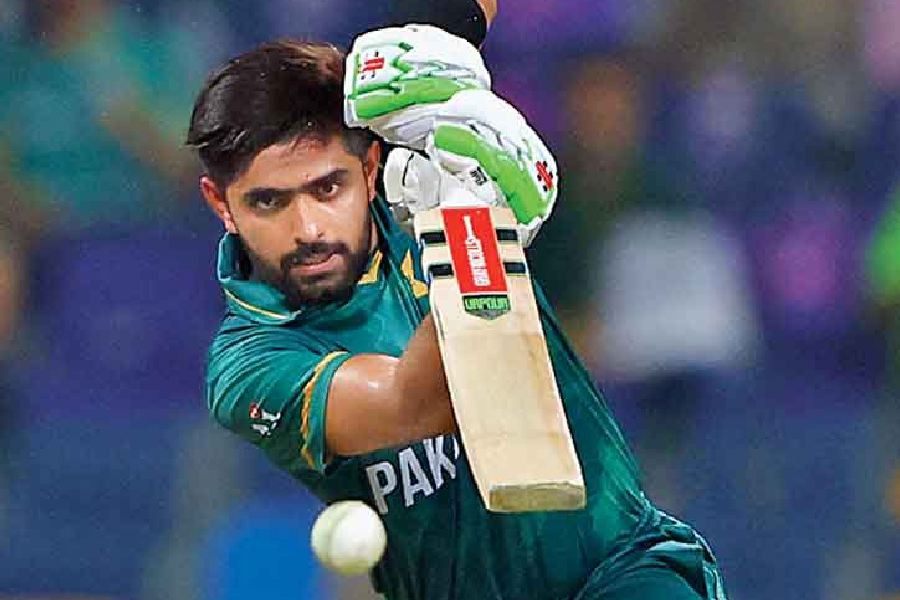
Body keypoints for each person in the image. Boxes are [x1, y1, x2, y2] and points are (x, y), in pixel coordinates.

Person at [186, 2, 728, 598]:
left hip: (622, 567)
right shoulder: (248, 365)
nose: (309, 229)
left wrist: (444, 43)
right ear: (220, 203)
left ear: (370, 168)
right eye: (269, 202)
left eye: (328, 188)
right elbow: (414, 405)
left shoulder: (426, 162)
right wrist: (476, 232)